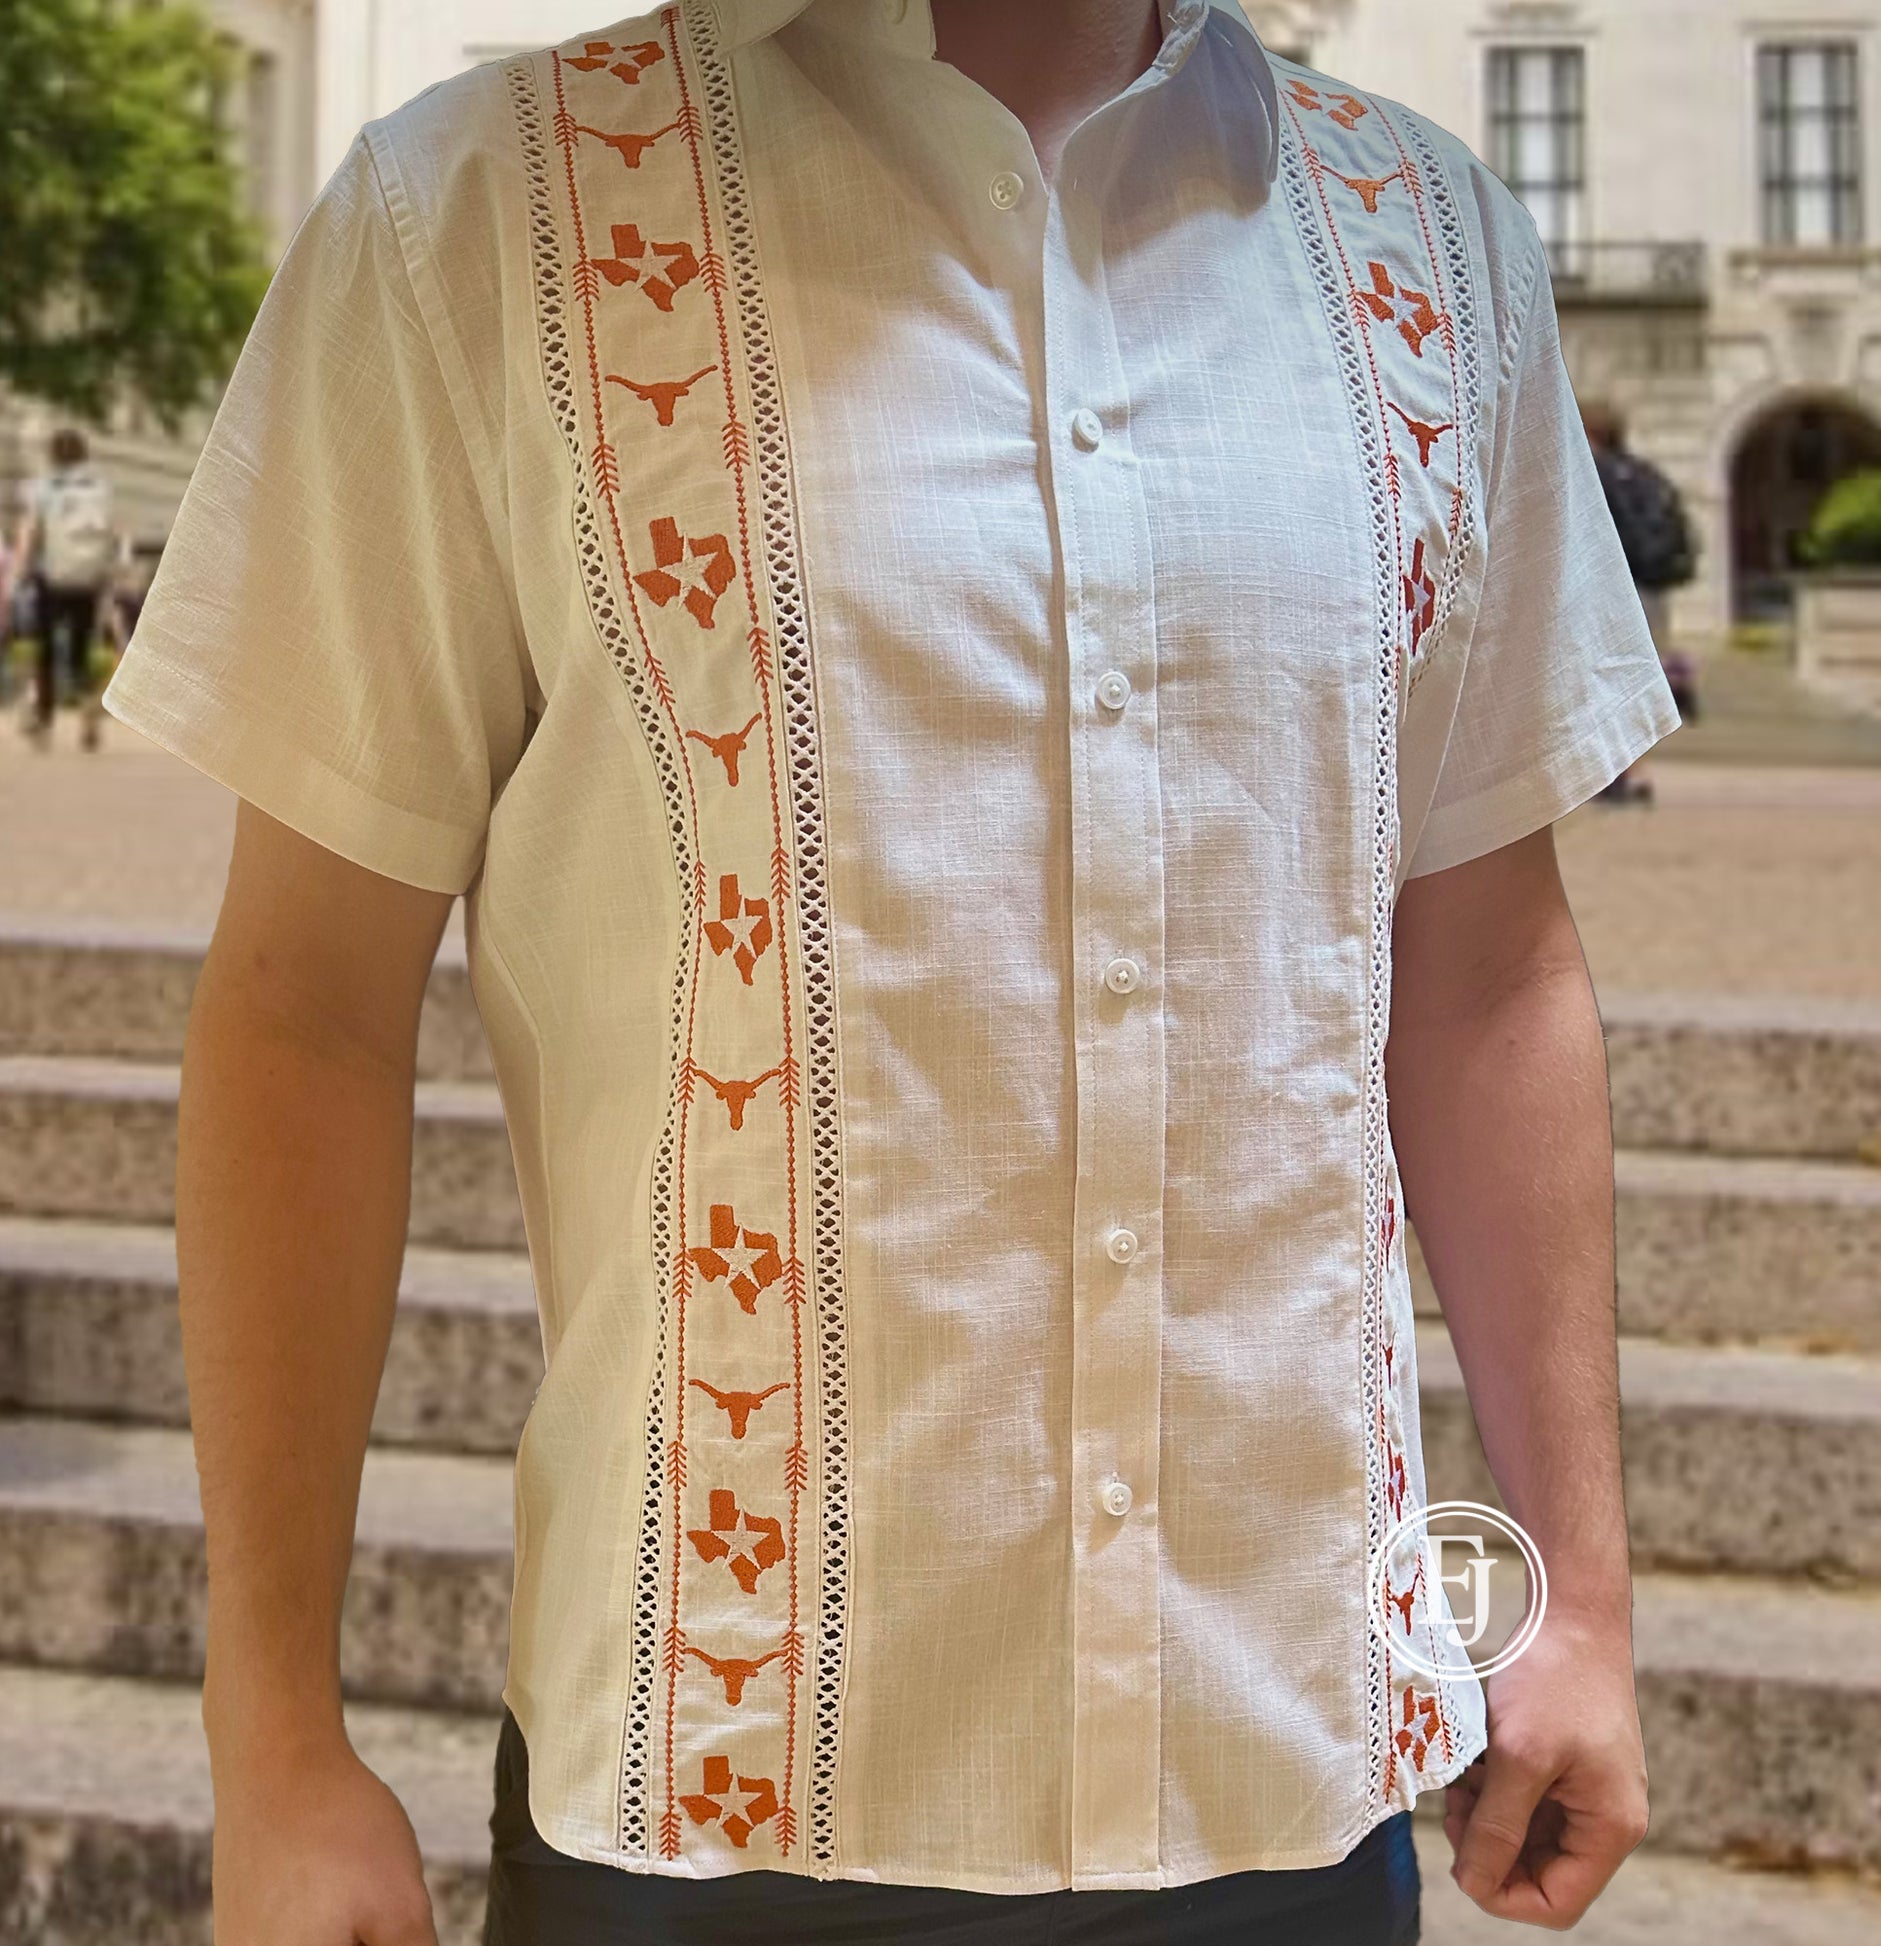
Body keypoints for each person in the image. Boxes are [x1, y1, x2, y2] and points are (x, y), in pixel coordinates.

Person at [98, 1, 1679, 1941]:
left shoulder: (1425, 245)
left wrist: (1574, 1601)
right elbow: (302, 1015)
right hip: (708, 1827)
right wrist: (274, 1741)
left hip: (1285, 1780)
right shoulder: (479, 216)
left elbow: (1486, 974)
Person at [1581, 399, 1696, 802]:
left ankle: (1614, 777)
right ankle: (1637, 774)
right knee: (1632, 682)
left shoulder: (1594, 472)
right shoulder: (1645, 473)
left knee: (1601, 683)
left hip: (1612, 590)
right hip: (1651, 587)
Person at [11, 424, 120, 752]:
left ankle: (44, 721)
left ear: (53, 454)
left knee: (44, 648)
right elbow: (111, 535)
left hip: (52, 577)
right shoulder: (99, 487)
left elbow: (30, 534)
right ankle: (87, 706)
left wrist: (17, 574)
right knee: (79, 648)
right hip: (87, 579)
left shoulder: (45, 488)